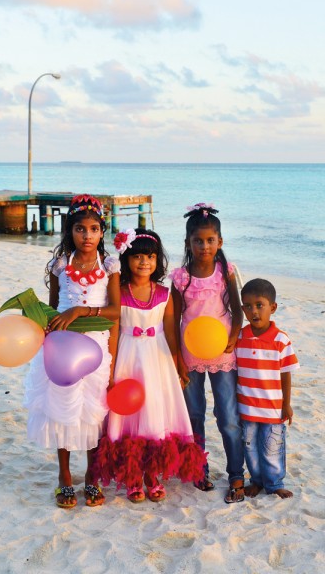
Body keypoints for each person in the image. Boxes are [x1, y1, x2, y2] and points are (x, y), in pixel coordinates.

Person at [94, 228, 206, 503]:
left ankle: (151, 475)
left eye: (151, 257)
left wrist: (178, 365)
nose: (144, 262)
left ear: (158, 261)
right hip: (128, 358)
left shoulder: (165, 293)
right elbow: (115, 330)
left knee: (155, 412)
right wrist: (110, 371)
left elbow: (171, 332)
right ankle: (133, 477)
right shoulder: (119, 291)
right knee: (131, 414)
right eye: (138, 257)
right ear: (127, 259)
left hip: (158, 359)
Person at [24, 194, 120, 509]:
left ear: (102, 231)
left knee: (92, 412)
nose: (87, 235)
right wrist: (42, 329)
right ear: (71, 230)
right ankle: (65, 476)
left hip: (95, 349)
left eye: (94, 229)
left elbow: (116, 312)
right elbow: (53, 309)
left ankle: (92, 476)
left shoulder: (110, 265)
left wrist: (80, 311)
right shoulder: (60, 264)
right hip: (62, 348)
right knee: (62, 410)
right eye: (80, 229)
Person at [170, 203, 245, 504]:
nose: (204, 246)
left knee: (227, 416)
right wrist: (177, 356)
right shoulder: (180, 277)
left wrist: (234, 336)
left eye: (210, 240)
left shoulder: (226, 271)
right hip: (189, 355)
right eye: (198, 241)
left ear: (220, 242)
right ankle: (198, 468)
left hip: (223, 355)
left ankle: (236, 474)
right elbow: (173, 320)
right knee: (195, 414)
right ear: (188, 243)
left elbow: (237, 310)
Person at [236, 278, 299, 499]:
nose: (254, 311)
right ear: (243, 308)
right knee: (250, 447)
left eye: (260, 305)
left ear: (272, 307)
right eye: (248, 306)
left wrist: (286, 404)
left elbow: (286, 373)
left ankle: (274, 483)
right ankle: (257, 481)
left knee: (272, 447)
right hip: (247, 408)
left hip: (272, 409)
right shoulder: (240, 337)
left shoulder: (281, 340)